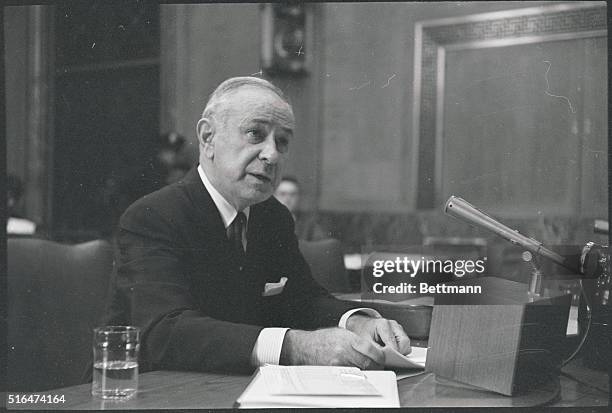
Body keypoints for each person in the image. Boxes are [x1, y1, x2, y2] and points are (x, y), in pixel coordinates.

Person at [103, 77, 411, 375]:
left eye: (282, 141)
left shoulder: (271, 215)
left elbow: (303, 299)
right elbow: (163, 332)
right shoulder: (153, 215)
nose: (272, 154)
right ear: (208, 138)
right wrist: (296, 347)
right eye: (255, 134)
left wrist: (357, 322)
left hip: (236, 387)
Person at [274, 176, 328, 241]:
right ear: (274, 197)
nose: (287, 199)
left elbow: (321, 247)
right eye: (282, 194)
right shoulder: (264, 222)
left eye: (292, 194)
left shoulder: (309, 225)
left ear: (298, 197)